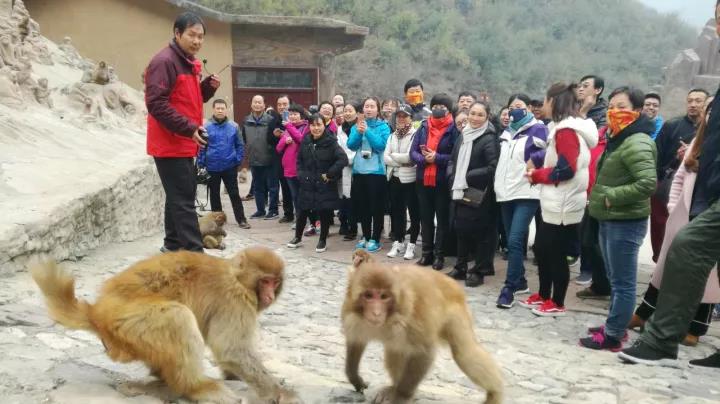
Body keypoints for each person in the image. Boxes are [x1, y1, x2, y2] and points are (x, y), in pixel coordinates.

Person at [629, 100, 718, 348]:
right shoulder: (698, 143)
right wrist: (673, 208)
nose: (711, 115)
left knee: (707, 275)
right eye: (710, 111)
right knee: (666, 268)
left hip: (710, 218)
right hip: (684, 214)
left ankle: (696, 327)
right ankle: (644, 313)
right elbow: (679, 179)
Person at [580, 86, 657, 351]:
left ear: (637, 110)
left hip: (625, 220)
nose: (615, 111)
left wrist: (611, 196)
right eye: (612, 106)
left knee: (623, 283)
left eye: (622, 107)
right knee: (615, 279)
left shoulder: (638, 141)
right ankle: (615, 324)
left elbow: (647, 183)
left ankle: (613, 335)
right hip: (610, 217)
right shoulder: (619, 137)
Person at [520, 83, 598, 316]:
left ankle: (557, 302)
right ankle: (543, 295)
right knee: (543, 249)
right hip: (556, 199)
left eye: (545, 100)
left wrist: (537, 175)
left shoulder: (567, 131)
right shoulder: (562, 128)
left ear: (553, 101)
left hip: (564, 202)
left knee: (555, 254)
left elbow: (566, 169)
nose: (543, 104)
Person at [145, 12, 220, 253]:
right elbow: (156, 103)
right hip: (170, 143)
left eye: (201, 36)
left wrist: (206, 89)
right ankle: (195, 255)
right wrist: (189, 128)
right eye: (192, 35)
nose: (197, 41)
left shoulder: (188, 63)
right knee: (184, 200)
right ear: (177, 33)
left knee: (177, 197)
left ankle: (172, 245)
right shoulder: (164, 61)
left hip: (185, 142)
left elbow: (187, 100)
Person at [494, 93, 548, 308]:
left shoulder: (539, 128)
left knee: (516, 240)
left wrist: (534, 160)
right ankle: (521, 280)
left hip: (527, 192)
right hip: (505, 192)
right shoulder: (507, 132)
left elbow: (547, 153)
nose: (514, 110)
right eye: (511, 107)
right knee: (511, 240)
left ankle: (509, 288)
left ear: (528, 108)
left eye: (519, 105)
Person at [651, 89, 709, 262]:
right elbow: (656, 156)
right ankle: (659, 263)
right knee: (660, 227)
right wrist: (677, 159)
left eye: (698, 101)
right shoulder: (672, 125)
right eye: (690, 101)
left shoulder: (710, 130)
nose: (693, 105)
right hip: (667, 184)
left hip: (696, 188)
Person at [446, 101, 500, 287]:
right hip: (459, 189)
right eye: (473, 113)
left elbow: (493, 167)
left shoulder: (489, 138)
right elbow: (453, 160)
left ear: (487, 117)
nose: (475, 118)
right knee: (461, 230)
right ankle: (460, 267)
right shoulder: (464, 134)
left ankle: (479, 271)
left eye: (480, 115)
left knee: (481, 233)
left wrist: (467, 176)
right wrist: (452, 176)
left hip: (480, 193)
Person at [410, 93, 459, 269]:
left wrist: (437, 158)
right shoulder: (424, 126)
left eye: (442, 107)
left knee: (442, 220)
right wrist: (424, 159)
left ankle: (439, 255)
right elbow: (413, 152)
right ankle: (426, 253)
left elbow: (455, 155)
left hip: (442, 180)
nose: (438, 109)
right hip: (423, 179)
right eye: (435, 106)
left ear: (449, 110)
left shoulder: (454, 129)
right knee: (426, 218)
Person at [286, 114, 348, 252]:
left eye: (319, 125)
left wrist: (330, 174)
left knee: (324, 212)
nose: (316, 128)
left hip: (323, 184)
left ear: (324, 125)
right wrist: (301, 175)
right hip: (307, 182)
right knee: (302, 211)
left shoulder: (331, 141)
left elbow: (343, 159)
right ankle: (297, 237)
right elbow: (299, 160)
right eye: (313, 125)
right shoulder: (306, 140)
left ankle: (322, 240)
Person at [197, 99, 250, 230]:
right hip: (212, 166)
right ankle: (218, 222)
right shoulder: (206, 126)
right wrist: (201, 163)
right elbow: (201, 146)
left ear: (226, 110)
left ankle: (241, 219)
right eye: (218, 108)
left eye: (222, 108)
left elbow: (240, 145)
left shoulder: (234, 126)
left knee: (234, 193)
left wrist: (237, 160)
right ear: (213, 109)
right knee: (214, 195)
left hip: (229, 166)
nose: (220, 110)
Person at [348, 97, 391, 253]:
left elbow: (381, 146)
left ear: (377, 109)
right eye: (366, 106)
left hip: (376, 173)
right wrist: (359, 133)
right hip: (359, 172)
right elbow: (351, 145)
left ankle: (375, 238)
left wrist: (367, 131)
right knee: (363, 207)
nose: (369, 109)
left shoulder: (383, 127)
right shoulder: (356, 126)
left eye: (372, 106)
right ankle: (366, 236)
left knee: (376, 207)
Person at [384, 104, 420, 260]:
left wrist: (395, 157)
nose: (401, 119)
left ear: (411, 118)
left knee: (414, 212)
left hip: (410, 179)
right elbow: (385, 157)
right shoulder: (392, 135)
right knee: (397, 212)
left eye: (405, 116)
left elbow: (410, 157)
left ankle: (412, 244)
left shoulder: (415, 135)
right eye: (399, 116)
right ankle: (399, 241)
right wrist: (400, 161)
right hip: (394, 177)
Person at [242, 95, 279, 220]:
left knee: (272, 186)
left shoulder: (271, 120)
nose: (257, 104)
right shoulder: (246, 120)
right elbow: (244, 139)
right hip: (254, 158)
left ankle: (273, 210)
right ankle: (260, 210)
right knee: (258, 187)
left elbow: (275, 139)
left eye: (260, 102)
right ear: (251, 104)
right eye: (255, 102)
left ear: (264, 105)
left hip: (270, 158)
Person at [276, 103, 308, 226]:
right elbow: (278, 148)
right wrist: (285, 141)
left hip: (300, 169)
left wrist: (289, 127)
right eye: (290, 114)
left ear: (301, 115)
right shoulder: (287, 130)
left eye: (295, 114)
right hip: (288, 169)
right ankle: (299, 219)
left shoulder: (305, 127)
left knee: (302, 196)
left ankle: (304, 220)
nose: (293, 116)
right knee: (295, 196)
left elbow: (301, 140)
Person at [338, 101, 360, 240]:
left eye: (350, 110)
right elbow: (338, 147)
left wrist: (350, 158)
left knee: (357, 198)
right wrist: (344, 159)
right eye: (345, 110)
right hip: (344, 167)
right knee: (345, 198)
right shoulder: (340, 129)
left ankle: (359, 227)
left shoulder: (360, 127)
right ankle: (348, 226)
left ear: (357, 113)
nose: (347, 113)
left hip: (359, 166)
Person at [272, 95, 295, 224]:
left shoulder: (296, 118)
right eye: (279, 104)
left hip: (296, 159)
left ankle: (303, 214)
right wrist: (277, 136)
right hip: (282, 160)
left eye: (285, 104)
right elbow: (269, 140)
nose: (282, 107)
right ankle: (288, 213)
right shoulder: (273, 120)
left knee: (298, 189)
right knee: (285, 188)